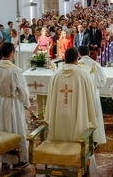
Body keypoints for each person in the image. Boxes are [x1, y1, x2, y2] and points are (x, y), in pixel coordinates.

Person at [44, 47, 97, 176]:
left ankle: (58, 167)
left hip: (59, 117)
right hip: (79, 116)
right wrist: (91, 114)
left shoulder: (56, 76)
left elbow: (50, 100)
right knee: (79, 136)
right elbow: (91, 98)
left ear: (64, 59)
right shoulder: (83, 75)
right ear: (76, 59)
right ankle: (78, 169)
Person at [0, 42, 30, 169]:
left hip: (1, 102)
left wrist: (0, 95)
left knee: (2, 129)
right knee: (16, 129)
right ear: (12, 53)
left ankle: (4, 159)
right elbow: (22, 89)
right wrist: (26, 103)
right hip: (13, 103)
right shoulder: (15, 70)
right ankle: (18, 159)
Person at [78, 45, 107, 145]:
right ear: (89, 52)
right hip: (93, 93)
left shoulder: (76, 64)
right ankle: (94, 139)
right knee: (94, 115)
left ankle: (80, 137)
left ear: (79, 53)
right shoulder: (95, 64)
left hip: (80, 94)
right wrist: (95, 86)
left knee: (81, 115)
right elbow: (102, 81)